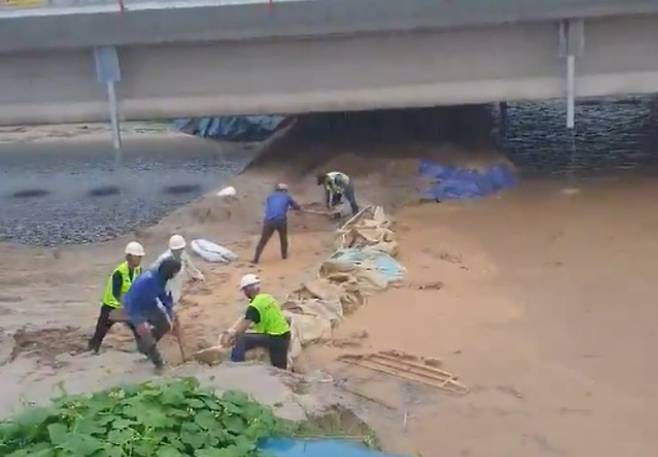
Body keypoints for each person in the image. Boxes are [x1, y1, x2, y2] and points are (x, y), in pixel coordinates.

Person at [123, 258, 182, 371]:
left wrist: (170, 310)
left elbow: (163, 297)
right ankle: (158, 364)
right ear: (170, 272)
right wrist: (140, 321)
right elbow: (154, 303)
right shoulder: (149, 281)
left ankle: (144, 348)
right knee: (146, 333)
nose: (176, 275)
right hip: (133, 307)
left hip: (146, 303)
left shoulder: (160, 277)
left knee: (164, 325)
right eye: (175, 272)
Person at [221, 274, 291, 369]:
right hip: (285, 334)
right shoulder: (267, 297)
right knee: (281, 367)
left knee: (241, 339)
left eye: (245, 290)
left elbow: (242, 329)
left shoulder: (254, 306)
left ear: (248, 290)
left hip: (274, 338)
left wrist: (231, 335)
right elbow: (246, 317)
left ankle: (236, 366)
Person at [88, 241, 144, 354]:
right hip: (111, 305)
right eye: (137, 257)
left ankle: (144, 349)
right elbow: (116, 293)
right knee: (101, 330)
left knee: (138, 328)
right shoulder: (119, 272)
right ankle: (93, 348)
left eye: (140, 257)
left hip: (126, 305)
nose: (139, 260)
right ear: (128, 257)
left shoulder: (139, 270)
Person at [252, 183, 300, 264]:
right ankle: (284, 256)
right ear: (285, 190)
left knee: (263, 240)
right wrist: (294, 207)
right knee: (283, 238)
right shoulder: (287, 197)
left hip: (269, 221)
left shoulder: (270, 197)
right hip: (280, 220)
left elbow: (273, 206)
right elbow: (296, 207)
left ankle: (255, 259)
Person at [150, 234, 204, 305]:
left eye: (180, 249)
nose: (179, 251)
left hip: (178, 277)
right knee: (170, 292)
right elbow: (153, 270)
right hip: (167, 280)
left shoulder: (183, 254)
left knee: (177, 289)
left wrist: (198, 275)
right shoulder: (164, 258)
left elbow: (190, 265)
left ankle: (177, 299)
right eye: (177, 250)